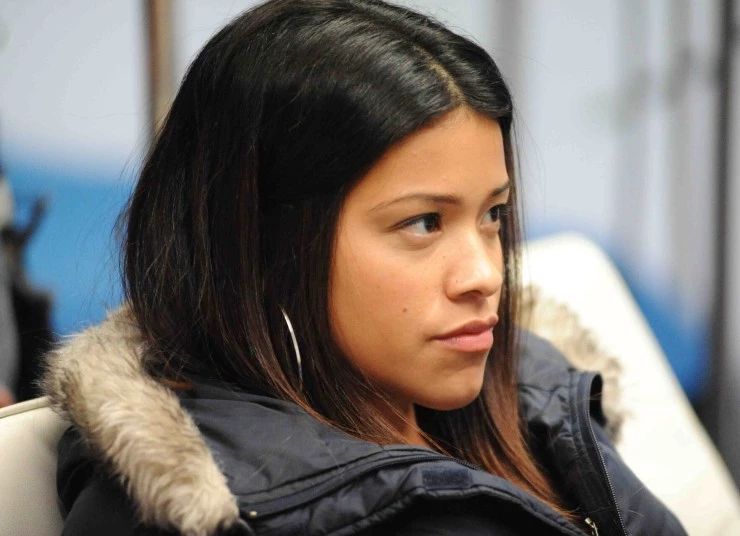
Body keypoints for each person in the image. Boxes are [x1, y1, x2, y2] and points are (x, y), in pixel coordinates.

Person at [42, 0, 687, 534]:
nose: (486, 275)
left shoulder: (535, 399)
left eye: (493, 214)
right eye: (424, 222)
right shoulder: (185, 514)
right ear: (264, 248)